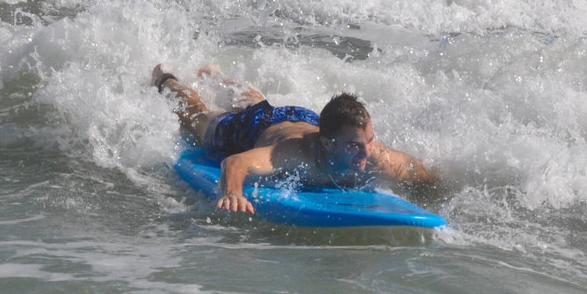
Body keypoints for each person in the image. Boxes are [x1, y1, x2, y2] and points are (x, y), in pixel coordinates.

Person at [152, 63, 438, 214]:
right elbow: (235, 163)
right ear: (327, 144)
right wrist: (233, 193)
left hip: (306, 118)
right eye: (354, 146)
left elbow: (421, 172)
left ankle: (218, 76)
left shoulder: (372, 153)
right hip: (258, 127)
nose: (365, 153)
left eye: (369, 142)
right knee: (200, 120)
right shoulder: (294, 153)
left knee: (259, 102)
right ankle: (165, 79)